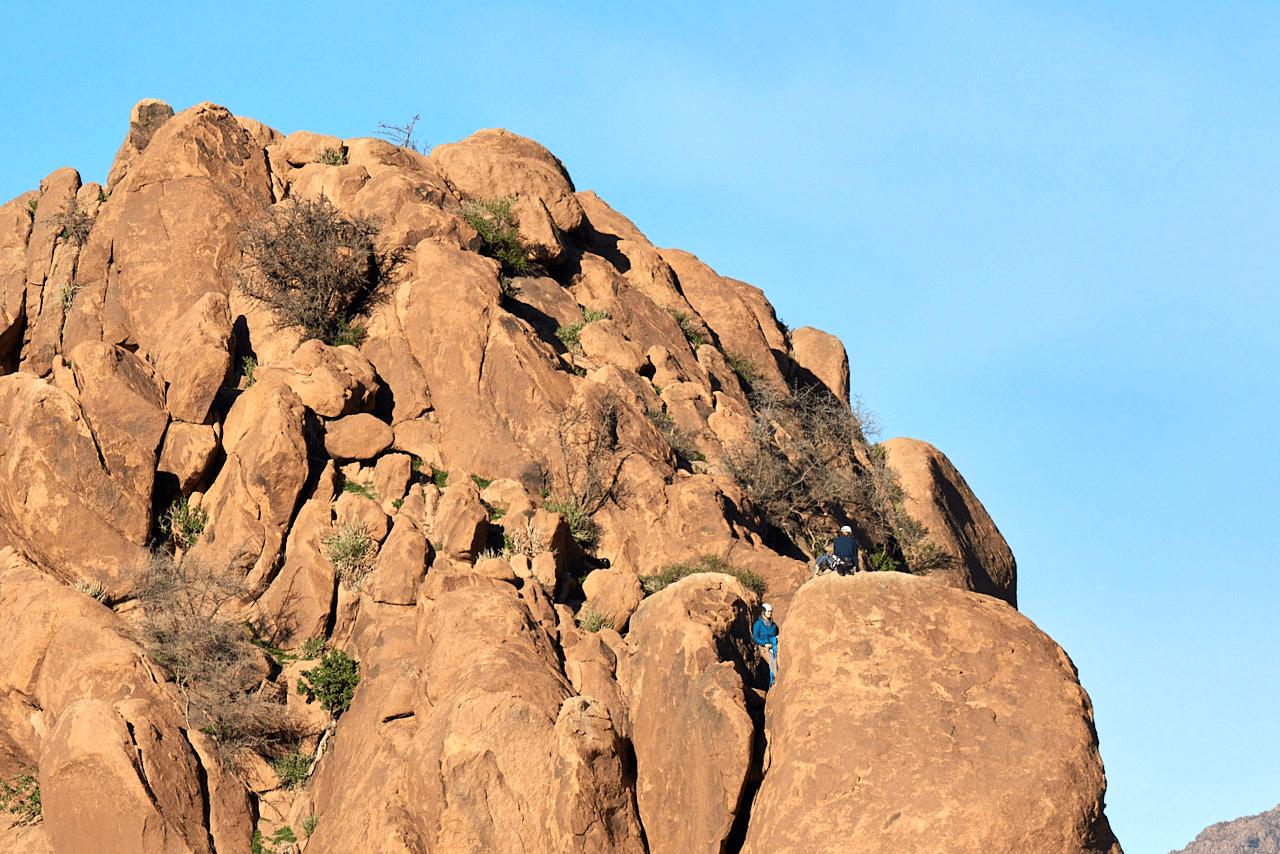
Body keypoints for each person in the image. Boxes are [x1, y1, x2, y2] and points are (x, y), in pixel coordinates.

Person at [752, 603, 780, 687]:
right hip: (763, 647)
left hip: (773, 645)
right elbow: (755, 637)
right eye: (768, 611)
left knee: (778, 661)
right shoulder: (758, 624)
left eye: (771, 611)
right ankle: (773, 682)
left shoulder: (773, 625)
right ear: (763, 612)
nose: (770, 613)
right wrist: (764, 643)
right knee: (772, 663)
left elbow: (777, 633)